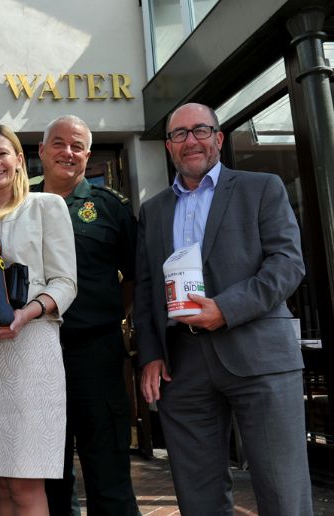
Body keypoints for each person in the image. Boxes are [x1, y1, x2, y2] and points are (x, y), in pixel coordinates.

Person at [134, 102, 312, 515]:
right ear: (168, 146)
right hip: (184, 365)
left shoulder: (262, 187)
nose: (190, 140)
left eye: (200, 130)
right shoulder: (154, 210)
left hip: (260, 356)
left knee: (283, 493)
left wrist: (224, 309)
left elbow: (288, 264)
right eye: (180, 134)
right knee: (198, 497)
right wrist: (151, 354)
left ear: (219, 137)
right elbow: (145, 288)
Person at [0, 124, 78, 515]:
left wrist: (27, 313)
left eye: (2, 153)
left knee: (25, 483)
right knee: (2, 483)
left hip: (29, 352)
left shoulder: (47, 206)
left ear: (20, 160)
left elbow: (66, 283)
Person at [34, 116, 139, 515]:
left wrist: (109, 316)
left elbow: (134, 276)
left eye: (77, 146)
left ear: (88, 155)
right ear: (42, 151)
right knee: (48, 472)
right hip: (36, 354)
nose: (68, 152)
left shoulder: (111, 207)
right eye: (58, 143)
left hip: (96, 354)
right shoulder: (18, 202)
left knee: (108, 467)